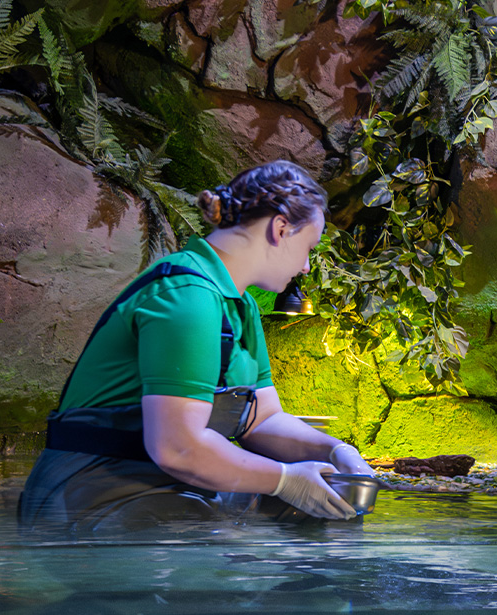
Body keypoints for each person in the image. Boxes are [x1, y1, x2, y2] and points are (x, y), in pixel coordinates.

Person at [19, 160, 373, 531]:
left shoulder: (240, 305)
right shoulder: (188, 297)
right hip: (87, 493)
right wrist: (285, 479)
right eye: (308, 247)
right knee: (207, 555)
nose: (305, 266)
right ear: (280, 229)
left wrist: (335, 451)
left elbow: (262, 420)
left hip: (159, 484)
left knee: (330, 514)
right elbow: (178, 449)